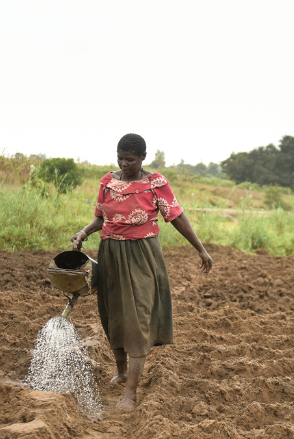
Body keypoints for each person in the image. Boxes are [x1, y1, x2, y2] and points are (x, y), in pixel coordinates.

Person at [71, 133, 212, 413]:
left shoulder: (155, 183)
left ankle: (131, 394)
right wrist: (84, 231)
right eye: (120, 158)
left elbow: (177, 217)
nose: (124, 164)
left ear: (143, 158)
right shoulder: (107, 182)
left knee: (137, 316)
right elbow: (101, 217)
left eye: (130, 159)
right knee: (114, 312)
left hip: (143, 255)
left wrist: (201, 249)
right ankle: (121, 371)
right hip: (110, 252)